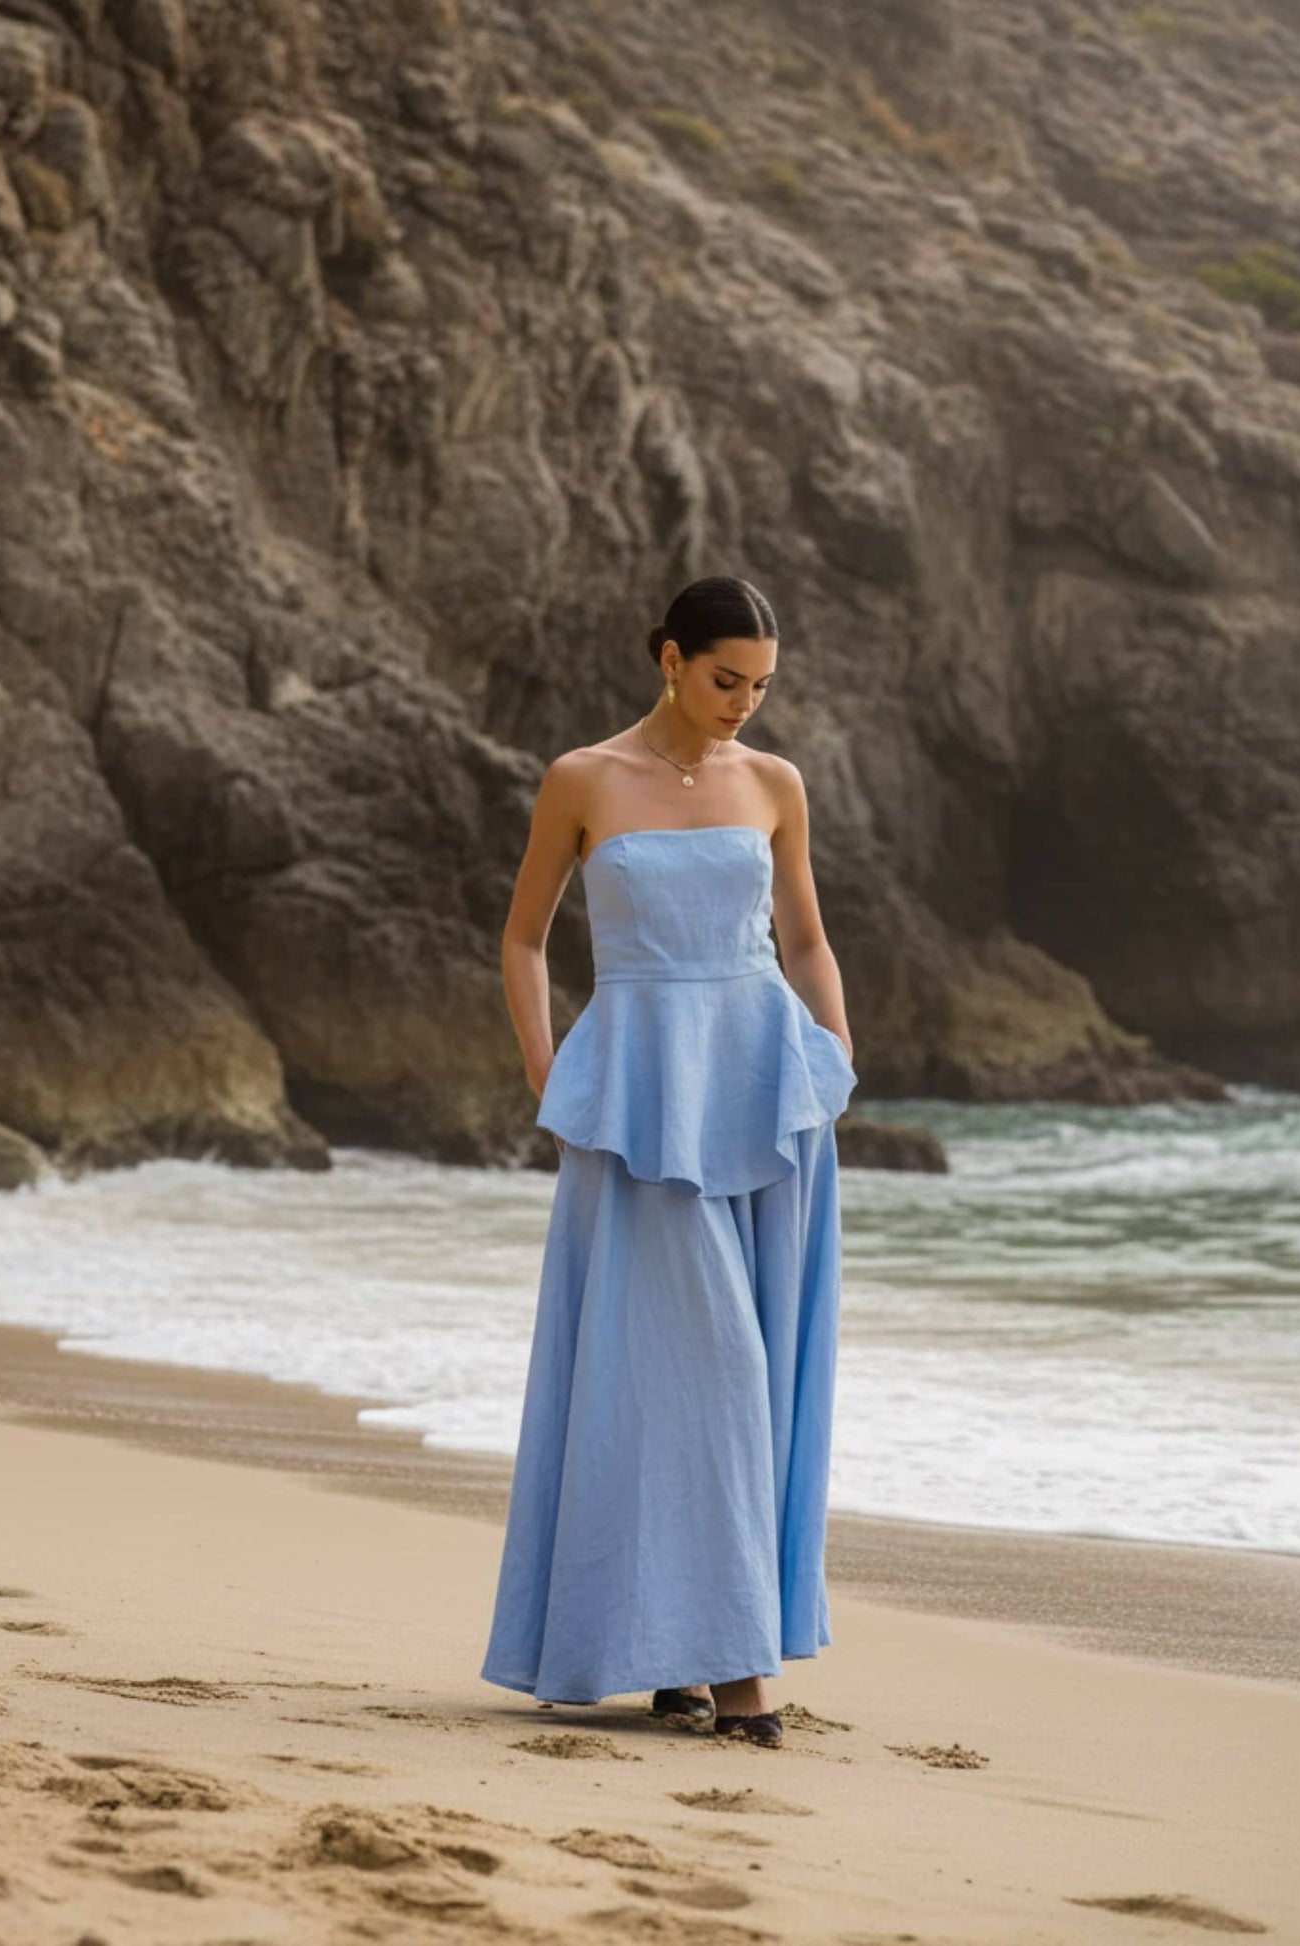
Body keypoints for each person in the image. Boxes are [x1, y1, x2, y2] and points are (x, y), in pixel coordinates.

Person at [479, 574, 857, 1751]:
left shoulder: (774, 784)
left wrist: (833, 1056)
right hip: (640, 1094)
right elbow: (524, 934)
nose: (743, 702)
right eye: (723, 678)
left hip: (761, 1082)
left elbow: (800, 933)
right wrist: (548, 1067)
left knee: (752, 1373)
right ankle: (737, 1673)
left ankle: (685, 1660)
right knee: (697, 1376)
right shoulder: (583, 779)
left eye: (760, 685)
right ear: (668, 658)